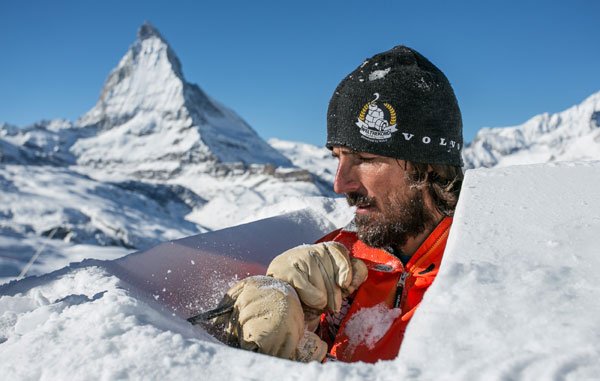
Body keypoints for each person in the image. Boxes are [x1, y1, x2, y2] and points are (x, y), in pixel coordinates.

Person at [199, 46, 464, 363]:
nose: (341, 184)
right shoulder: (333, 256)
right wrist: (271, 316)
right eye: (338, 157)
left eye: (366, 158)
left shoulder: (481, 273)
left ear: (429, 165)